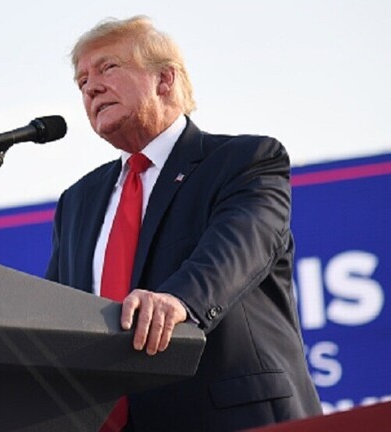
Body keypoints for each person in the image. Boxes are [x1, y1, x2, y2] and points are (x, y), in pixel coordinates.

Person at [45, 16, 322, 431]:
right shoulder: (77, 202)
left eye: (108, 68)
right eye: (82, 81)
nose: (91, 88)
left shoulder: (245, 161)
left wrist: (179, 300)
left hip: (232, 416)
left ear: (164, 79)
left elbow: (236, 249)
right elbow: (55, 311)